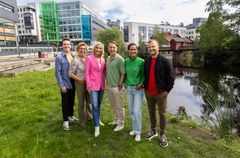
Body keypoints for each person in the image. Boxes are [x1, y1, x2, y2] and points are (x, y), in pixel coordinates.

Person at [143, 39, 175, 147]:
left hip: (161, 94)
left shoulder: (165, 61)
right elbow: (145, 76)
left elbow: (171, 77)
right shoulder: (146, 61)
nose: (151, 48)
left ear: (158, 48)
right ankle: (153, 131)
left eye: (153, 46)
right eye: (149, 47)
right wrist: (145, 87)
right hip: (149, 93)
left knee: (162, 114)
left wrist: (167, 91)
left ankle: (163, 134)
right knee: (151, 112)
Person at [55, 38, 78, 131]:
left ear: (70, 45)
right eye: (65, 44)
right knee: (65, 103)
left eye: (68, 44)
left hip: (73, 82)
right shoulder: (59, 57)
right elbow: (57, 72)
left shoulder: (73, 55)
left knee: (71, 101)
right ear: (62, 45)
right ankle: (65, 121)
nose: (66, 46)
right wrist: (61, 85)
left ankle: (70, 116)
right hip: (65, 83)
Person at [69, 42, 92, 127]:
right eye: (81, 49)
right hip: (80, 84)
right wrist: (80, 80)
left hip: (89, 83)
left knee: (89, 101)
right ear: (77, 50)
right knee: (81, 103)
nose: (83, 50)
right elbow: (70, 73)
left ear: (87, 50)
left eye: (84, 49)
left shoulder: (88, 59)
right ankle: (82, 121)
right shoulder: (75, 60)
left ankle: (90, 117)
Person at [125, 43, 144, 141]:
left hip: (138, 89)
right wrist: (124, 82)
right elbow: (124, 73)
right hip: (128, 89)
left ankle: (138, 132)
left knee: (137, 111)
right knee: (131, 111)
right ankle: (134, 128)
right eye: (131, 49)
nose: (133, 51)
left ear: (137, 51)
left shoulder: (141, 61)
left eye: (134, 49)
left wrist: (141, 83)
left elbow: (144, 75)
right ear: (128, 51)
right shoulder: (126, 61)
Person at [85, 42, 106, 137]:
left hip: (102, 85)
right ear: (94, 48)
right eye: (97, 47)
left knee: (99, 103)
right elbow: (87, 74)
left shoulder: (103, 59)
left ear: (102, 50)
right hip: (93, 85)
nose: (98, 49)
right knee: (95, 105)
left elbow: (104, 72)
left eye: (100, 48)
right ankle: (96, 127)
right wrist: (89, 86)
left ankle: (97, 119)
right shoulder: (89, 58)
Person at [106, 41, 126, 132]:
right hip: (109, 86)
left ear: (117, 48)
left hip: (116, 87)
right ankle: (117, 119)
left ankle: (121, 123)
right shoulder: (108, 58)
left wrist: (120, 85)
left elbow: (123, 73)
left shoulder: (120, 59)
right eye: (110, 47)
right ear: (108, 48)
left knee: (119, 106)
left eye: (114, 47)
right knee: (113, 105)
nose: (112, 49)